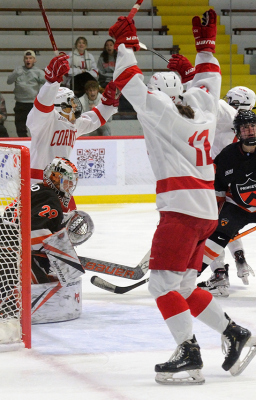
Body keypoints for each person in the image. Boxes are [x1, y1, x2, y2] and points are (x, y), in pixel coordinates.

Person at [109, 10, 256, 385]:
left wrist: (125, 46)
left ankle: (189, 354)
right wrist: (205, 46)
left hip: (180, 210)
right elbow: (209, 81)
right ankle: (235, 334)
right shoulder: (205, 108)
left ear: (162, 93)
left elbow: (129, 83)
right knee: (186, 286)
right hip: (206, 208)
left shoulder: (158, 110)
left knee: (161, 285)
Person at [168, 56, 255, 293]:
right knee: (225, 225)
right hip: (235, 187)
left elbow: (207, 102)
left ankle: (219, 273)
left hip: (212, 181)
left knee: (212, 228)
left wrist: (188, 75)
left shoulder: (229, 116)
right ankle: (239, 258)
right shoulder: (244, 125)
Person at [0, 157, 89, 314]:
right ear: (54, 178)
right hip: (9, 253)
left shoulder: (35, 189)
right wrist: (63, 253)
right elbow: (37, 231)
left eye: (72, 181)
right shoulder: (51, 199)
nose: (70, 185)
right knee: (34, 294)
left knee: (17, 290)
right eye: (67, 180)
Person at [26, 53, 120, 195]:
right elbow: (41, 108)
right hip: (37, 183)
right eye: (71, 103)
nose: (76, 107)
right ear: (59, 106)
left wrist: (108, 103)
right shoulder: (46, 120)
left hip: (61, 183)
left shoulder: (74, 124)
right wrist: (52, 83)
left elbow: (94, 119)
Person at [196, 110, 256, 297]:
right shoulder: (227, 155)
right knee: (216, 236)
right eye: (245, 128)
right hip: (239, 208)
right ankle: (189, 276)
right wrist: (214, 214)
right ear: (237, 132)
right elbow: (219, 188)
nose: (250, 131)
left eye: (253, 126)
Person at [7, 50, 45, 137]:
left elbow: (47, 81)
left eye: (30, 58)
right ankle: (24, 144)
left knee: (35, 128)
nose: (28, 60)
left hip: (33, 104)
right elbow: (9, 81)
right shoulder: (18, 70)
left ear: (34, 60)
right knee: (20, 128)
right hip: (20, 103)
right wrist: (16, 74)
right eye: (26, 58)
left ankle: (35, 145)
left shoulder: (38, 72)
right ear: (24, 60)